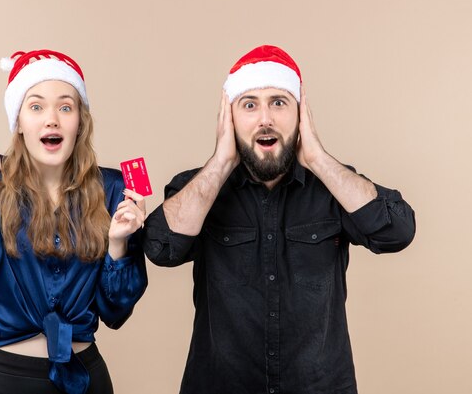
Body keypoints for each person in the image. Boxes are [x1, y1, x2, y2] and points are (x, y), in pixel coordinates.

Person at [143, 45, 415, 394]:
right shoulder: (199, 187)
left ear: (301, 113)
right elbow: (160, 247)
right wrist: (222, 161)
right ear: (230, 118)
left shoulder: (334, 186)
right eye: (250, 105)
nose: (265, 119)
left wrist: (317, 157)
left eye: (279, 102)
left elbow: (398, 231)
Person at [0, 49, 147, 394]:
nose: (52, 120)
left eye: (65, 107)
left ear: (80, 121)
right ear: (18, 122)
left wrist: (118, 244)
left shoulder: (115, 188)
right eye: (36, 107)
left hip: (87, 377)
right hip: (9, 380)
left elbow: (117, 313)